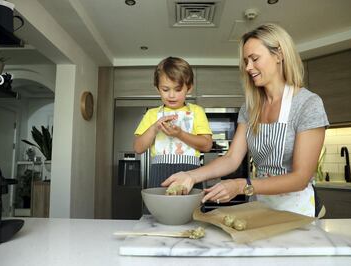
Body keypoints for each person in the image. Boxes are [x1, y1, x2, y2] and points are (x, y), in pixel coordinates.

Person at [162, 24, 329, 217]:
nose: (249, 67)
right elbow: (232, 158)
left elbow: (300, 178)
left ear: (279, 55)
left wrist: (243, 185)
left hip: (298, 210)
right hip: (260, 204)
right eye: (246, 61)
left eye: (255, 59)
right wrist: (190, 176)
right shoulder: (250, 109)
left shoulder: (308, 104)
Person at [134, 56, 213, 188]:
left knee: (190, 209)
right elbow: (138, 148)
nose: (171, 95)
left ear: (189, 88)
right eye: (165, 90)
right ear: (157, 88)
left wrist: (180, 134)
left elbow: (207, 145)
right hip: (159, 173)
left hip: (191, 174)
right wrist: (154, 128)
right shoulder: (151, 114)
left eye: (177, 89)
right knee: (159, 208)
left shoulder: (197, 111)